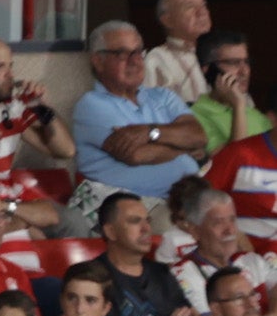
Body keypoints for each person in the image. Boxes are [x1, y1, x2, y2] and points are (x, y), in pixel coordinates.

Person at [71, 17, 207, 224]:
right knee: (180, 228)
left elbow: (198, 136)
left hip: (189, 199)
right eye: (122, 54)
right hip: (136, 208)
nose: (135, 61)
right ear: (98, 61)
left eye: (138, 52)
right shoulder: (92, 105)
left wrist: (149, 133)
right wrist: (183, 147)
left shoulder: (162, 96)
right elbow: (136, 154)